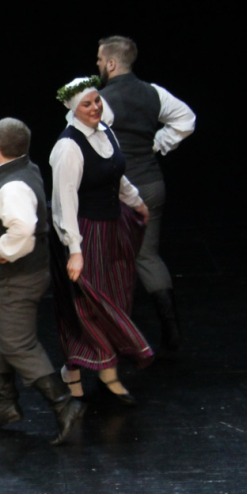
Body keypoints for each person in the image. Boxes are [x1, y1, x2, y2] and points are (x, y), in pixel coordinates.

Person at [0, 118, 83, 444]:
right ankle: (6, 403)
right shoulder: (22, 168)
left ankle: (64, 405)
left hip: (15, 278)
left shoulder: (13, 186)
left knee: (16, 343)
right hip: (5, 279)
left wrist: (4, 250)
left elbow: (23, 229)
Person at [49, 77, 154, 411]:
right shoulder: (68, 147)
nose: (95, 108)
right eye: (87, 104)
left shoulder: (106, 132)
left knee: (116, 297)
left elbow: (116, 176)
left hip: (112, 229)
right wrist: (75, 250)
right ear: (74, 109)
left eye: (96, 101)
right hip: (85, 232)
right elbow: (64, 202)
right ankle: (72, 372)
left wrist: (136, 202)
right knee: (87, 305)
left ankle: (109, 373)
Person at [94, 35, 196, 349]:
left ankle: (116, 336)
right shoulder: (154, 93)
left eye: (100, 60)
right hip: (151, 184)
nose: (98, 64)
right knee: (147, 256)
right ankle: (171, 332)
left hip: (117, 190)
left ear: (111, 63)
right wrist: (155, 144)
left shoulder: (98, 101)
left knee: (109, 259)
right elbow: (186, 119)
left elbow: (90, 145)